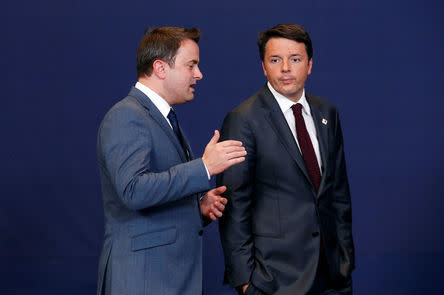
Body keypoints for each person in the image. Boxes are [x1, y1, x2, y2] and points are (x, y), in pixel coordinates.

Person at [96, 27, 247, 295]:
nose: (199, 74)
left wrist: (196, 209)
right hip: (143, 282)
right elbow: (133, 190)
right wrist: (204, 167)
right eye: (192, 65)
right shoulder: (126, 116)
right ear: (160, 68)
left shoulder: (162, 118)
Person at [218, 24, 355, 295]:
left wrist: (345, 257)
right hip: (275, 280)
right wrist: (246, 282)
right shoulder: (243, 120)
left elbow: (338, 192)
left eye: (295, 59)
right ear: (263, 67)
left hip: (333, 276)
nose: (285, 68)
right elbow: (234, 205)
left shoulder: (327, 113)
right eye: (275, 60)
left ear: (310, 64)